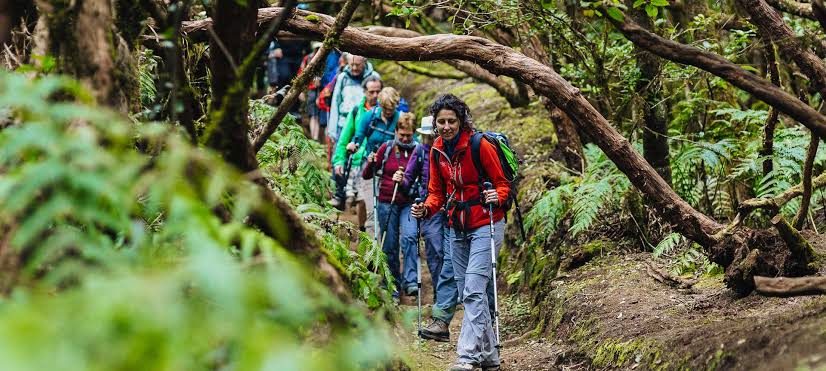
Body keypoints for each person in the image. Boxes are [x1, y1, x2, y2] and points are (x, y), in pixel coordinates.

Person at [411, 94, 508, 371]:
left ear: (461, 120)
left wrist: (495, 196)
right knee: (470, 294)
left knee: (474, 291)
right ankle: (489, 357)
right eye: (440, 121)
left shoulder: (480, 145)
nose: (446, 126)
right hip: (456, 228)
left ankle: (466, 358)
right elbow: (436, 193)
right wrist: (426, 210)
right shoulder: (437, 150)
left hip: (486, 224)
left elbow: (503, 184)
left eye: (451, 121)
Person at [400, 116, 458, 343]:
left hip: (451, 207)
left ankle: (449, 298)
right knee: (435, 252)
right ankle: (439, 297)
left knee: (452, 253)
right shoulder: (422, 151)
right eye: (427, 134)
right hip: (430, 208)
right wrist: (400, 182)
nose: (430, 137)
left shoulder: (448, 149)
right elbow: (409, 177)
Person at [363, 113, 418, 299]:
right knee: (390, 244)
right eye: (401, 134)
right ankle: (392, 282)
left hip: (409, 201)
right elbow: (366, 175)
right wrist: (370, 162)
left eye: (408, 135)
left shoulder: (418, 151)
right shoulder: (386, 148)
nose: (404, 138)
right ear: (396, 131)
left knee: (410, 238)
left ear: (414, 134)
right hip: (387, 201)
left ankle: (410, 281)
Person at [349, 87, 401, 240]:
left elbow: (409, 141)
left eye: (391, 109)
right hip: (370, 169)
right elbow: (358, 136)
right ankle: (372, 251)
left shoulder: (400, 119)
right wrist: (354, 145)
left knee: (387, 211)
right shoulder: (369, 116)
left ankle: (385, 246)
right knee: (372, 209)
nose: (388, 112)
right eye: (385, 108)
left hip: (390, 172)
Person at [331, 76, 383, 227]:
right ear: (364, 92)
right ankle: (363, 231)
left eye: (378, 92)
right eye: (371, 92)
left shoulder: (387, 112)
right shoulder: (356, 112)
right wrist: (339, 160)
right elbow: (344, 139)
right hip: (358, 163)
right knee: (361, 199)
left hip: (380, 161)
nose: (375, 95)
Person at [327, 54, 380, 146]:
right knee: (340, 154)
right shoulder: (343, 77)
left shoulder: (374, 76)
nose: (354, 68)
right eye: (352, 65)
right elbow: (336, 102)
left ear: (365, 61)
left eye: (358, 65)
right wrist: (332, 131)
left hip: (367, 125)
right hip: (343, 124)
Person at [298, 41, 324, 140]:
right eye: (316, 48)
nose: (317, 51)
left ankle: (317, 139)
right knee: (313, 114)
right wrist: (300, 91)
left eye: (319, 48)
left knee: (318, 115)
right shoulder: (307, 59)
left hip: (324, 90)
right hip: (311, 90)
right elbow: (301, 74)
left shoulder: (328, 60)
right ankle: (314, 138)